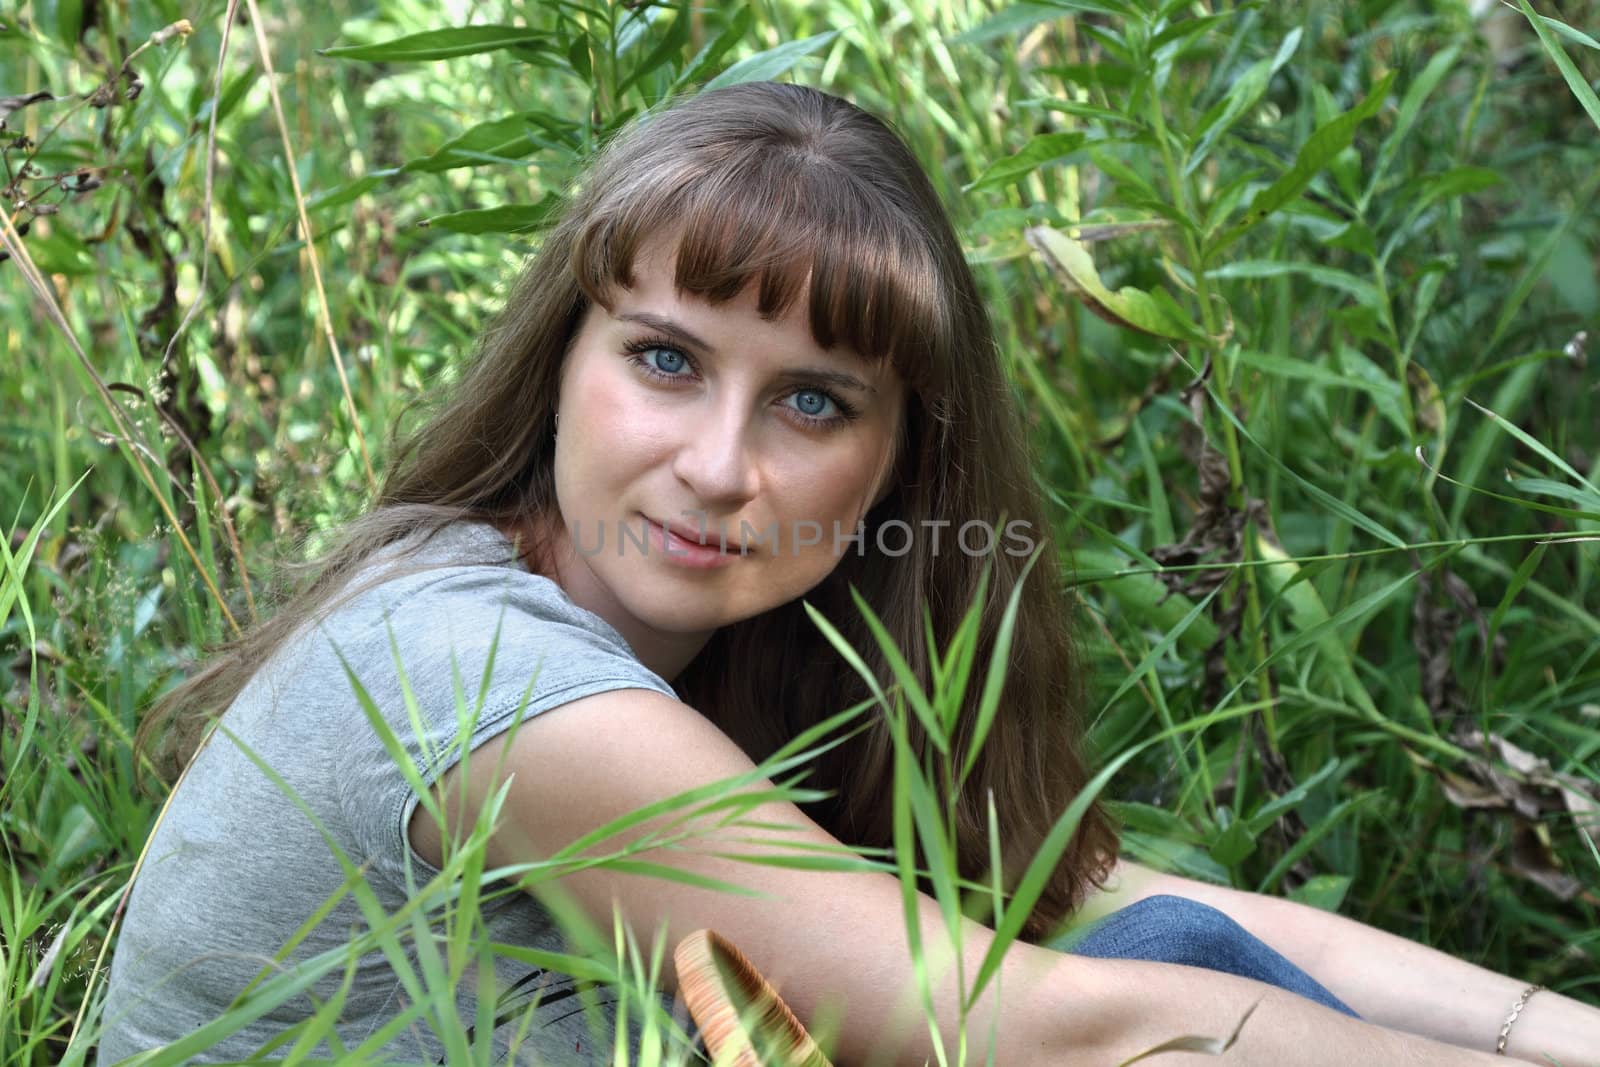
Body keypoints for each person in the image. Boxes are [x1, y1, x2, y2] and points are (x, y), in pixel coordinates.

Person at [97, 81, 1597, 1066]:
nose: (719, 465)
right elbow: (1036, 1025)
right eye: (667, 361)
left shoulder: (731, 673)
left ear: (895, 464)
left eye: (813, 400)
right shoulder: (479, 672)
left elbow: (1084, 895)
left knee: (1173, 941)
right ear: (563, 359)